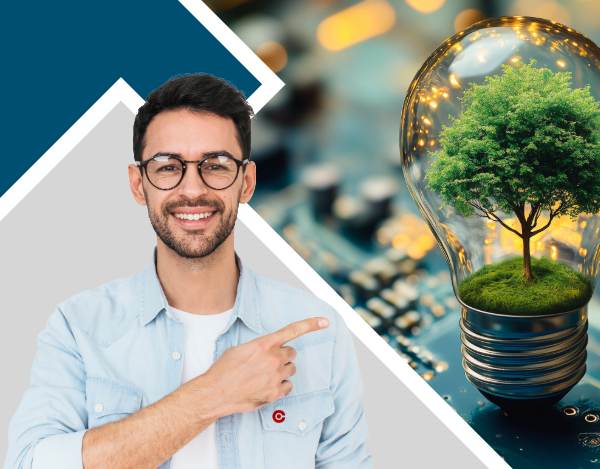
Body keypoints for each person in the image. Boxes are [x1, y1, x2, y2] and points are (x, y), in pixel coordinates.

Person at [5, 73, 372, 469]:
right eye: (167, 168)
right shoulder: (79, 326)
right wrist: (213, 393)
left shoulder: (318, 332)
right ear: (138, 184)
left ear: (246, 182)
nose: (192, 189)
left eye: (215, 165)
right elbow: (27, 463)